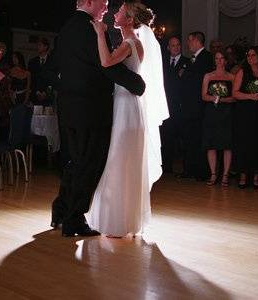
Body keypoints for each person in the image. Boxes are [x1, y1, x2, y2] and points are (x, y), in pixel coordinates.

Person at [47, 0, 146, 237]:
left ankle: (61, 209)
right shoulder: (90, 28)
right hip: (91, 109)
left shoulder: (67, 27)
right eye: (104, 2)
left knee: (74, 161)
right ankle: (74, 219)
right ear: (89, 2)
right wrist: (137, 84)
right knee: (89, 163)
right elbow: (106, 66)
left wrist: (67, 87)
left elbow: (51, 67)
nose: (107, 7)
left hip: (68, 107)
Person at [85, 1, 165, 237]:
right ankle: (123, 220)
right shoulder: (130, 42)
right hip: (126, 105)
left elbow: (106, 62)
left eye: (120, 11)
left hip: (128, 107)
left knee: (120, 158)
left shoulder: (131, 43)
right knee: (123, 160)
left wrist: (100, 34)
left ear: (129, 20)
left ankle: (118, 222)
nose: (115, 13)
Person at [233, 46, 258, 189]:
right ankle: (243, 176)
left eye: (253, 55)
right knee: (245, 143)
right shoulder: (243, 71)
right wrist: (251, 96)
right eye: (248, 55)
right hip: (245, 113)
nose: (250, 58)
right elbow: (235, 93)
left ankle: (256, 176)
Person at [180, 31, 213, 180]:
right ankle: (190, 169)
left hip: (198, 106)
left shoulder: (206, 57)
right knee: (189, 138)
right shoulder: (193, 59)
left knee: (198, 138)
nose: (188, 44)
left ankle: (200, 172)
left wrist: (185, 73)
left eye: (189, 40)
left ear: (197, 41)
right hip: (189, 106)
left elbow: (198, 78)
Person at [201, 50, 235, 187]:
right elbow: (203, 96)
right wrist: (215, 98)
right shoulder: (208, 76)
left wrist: (223, 100)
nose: (219, 61)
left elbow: (234, 97)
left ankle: (225, 175)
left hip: (227, 113)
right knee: (211, 144)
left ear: (226, 61)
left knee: (227, 144)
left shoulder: (232, 77)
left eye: (222, 58)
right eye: (217, 58)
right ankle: (213, 174)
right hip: (211, 113)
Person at [161, 36, 190, 173]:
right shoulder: (163, 62)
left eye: (178, 45)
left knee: (183, 139)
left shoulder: (187, 62)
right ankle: (166, 168)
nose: (176, 47)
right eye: (173, 45)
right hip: (166, 106)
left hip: (181, 107)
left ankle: (186, 168)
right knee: (166, 138)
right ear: (168, 47)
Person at [28, 37, 52, 105]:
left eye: (40, 45)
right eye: (37, 45)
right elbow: (31, 79)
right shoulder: (32, 62)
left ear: (45, 47)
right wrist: (37, 92)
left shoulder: (52, 61)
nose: (37, 47)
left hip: (48, 97)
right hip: (35, 96)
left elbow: (52, 80)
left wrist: (45, 93)